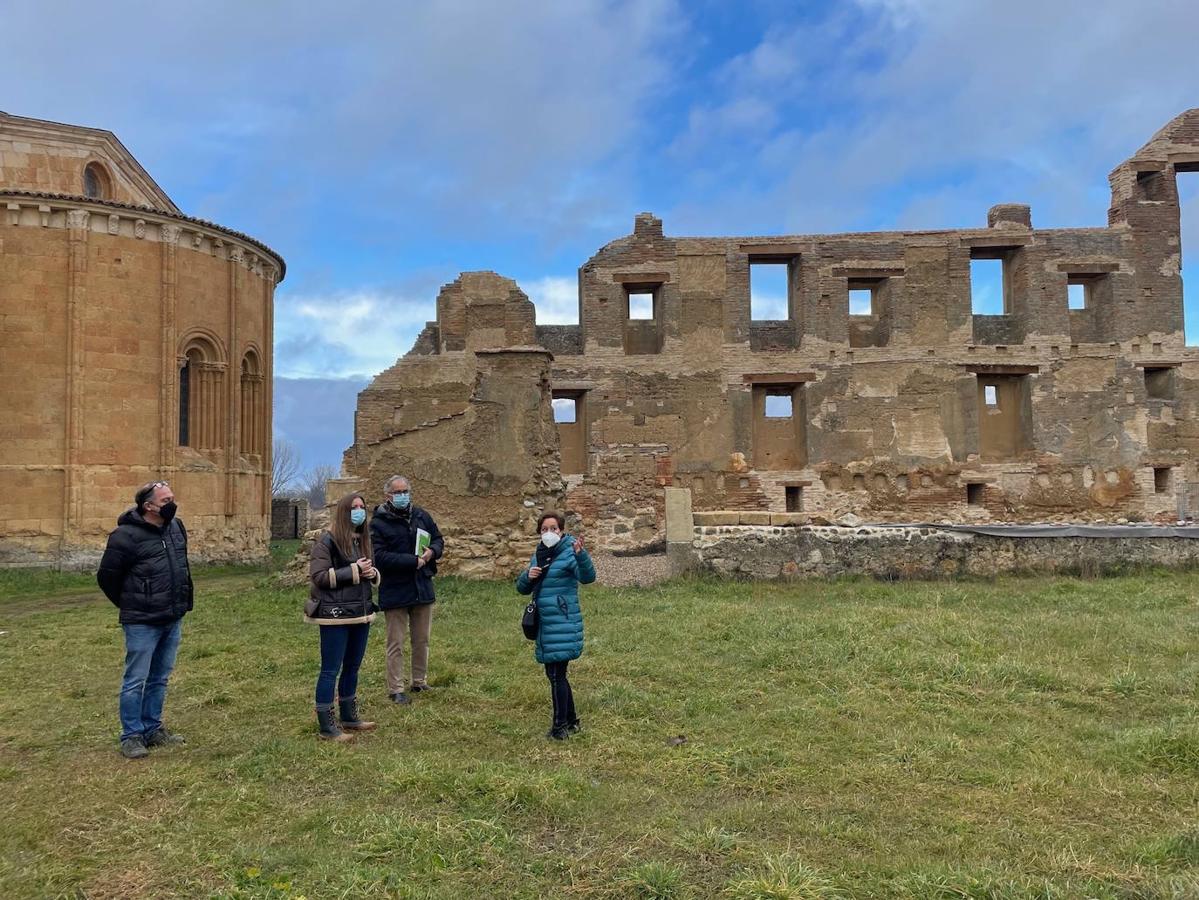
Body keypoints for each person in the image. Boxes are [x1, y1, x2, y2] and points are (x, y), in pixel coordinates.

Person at [97, 480, 194, 759]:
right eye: (165, 501)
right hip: (142, 621)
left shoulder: (176, 528)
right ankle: (131, 735)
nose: (172, 505)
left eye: (172, 498)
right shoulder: (124, 536)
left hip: (171, 615)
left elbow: (181, 567)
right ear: (148, 506)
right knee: (135, 680)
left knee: (159, 677)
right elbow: (107, 577)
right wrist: (133, 603)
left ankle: (152, 728)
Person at [306, 492, 382, 741]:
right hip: (335, 615)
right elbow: (319, 577)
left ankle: (349, 716)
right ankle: (327, 726)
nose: (359, 511)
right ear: (343, 512)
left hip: (360, 613)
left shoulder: (363, 540)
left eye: (362, 507)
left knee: (353, 666)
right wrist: (354, 570)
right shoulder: (327, 541)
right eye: (353, 507)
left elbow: (368, 569)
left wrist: (371, 574)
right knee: (330, 670)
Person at [515, 511, 596, 740]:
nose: (549, 533)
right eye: (544, 529)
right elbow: (522, 588)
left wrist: (581, 555)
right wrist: (528, 576)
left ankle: (559, 727)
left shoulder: (570, 551)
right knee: (556, 674)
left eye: (554, 528)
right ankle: (571, 721)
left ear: (561, 531)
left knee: (556, 674)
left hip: (562, 622)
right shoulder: (539, 555)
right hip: (545, 623)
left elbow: (588, 577)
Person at [370, 475, 444, 704]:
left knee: (422, 639)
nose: (402, 496)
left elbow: (438, 539)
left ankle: (419, 681)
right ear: (388, 495)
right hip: (395, 589)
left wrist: (432, 552)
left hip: (422, 586)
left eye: (405, 491)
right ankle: (396, 688)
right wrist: (412, 561)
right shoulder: (378, 523)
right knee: (396, 643)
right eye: (397, 492)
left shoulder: (421, 516)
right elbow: (379, 556)